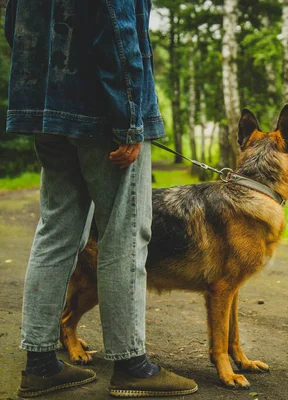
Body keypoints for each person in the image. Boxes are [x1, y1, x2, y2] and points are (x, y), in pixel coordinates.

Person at [4, 0, 198, 397]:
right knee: (125, 234)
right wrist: (129, 121)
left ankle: (40, 364)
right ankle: (132, 366)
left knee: (55, 230)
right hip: (102, 115)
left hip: (47, 110)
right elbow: (120, 33)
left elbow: (13, 27)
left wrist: (42, 91)